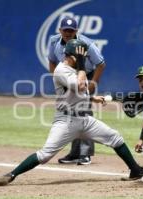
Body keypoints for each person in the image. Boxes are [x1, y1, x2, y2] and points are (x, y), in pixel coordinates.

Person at [0, 40, 143, 186]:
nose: (85, 59)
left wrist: (92, 99)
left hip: (84, 120)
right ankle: (11, 175)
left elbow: (80, 92)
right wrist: (80, 63)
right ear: (74, 57)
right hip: (66, 121)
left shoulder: (76, 70)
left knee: (115, 137)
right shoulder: (62, 70)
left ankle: (135, 170)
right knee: (45, 155)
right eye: (83, 56)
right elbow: (79, 86)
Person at [48, 16, 105, 165]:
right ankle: (74, 153)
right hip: (67, 76)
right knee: (70, 113)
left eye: (71, 31)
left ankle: (85, 153)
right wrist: (58, 81)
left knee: (84, 112)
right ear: (60, 30)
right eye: (65, 30)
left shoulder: (86, 43)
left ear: (76, 31)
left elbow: (100, 63)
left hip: (86, 75)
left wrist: (93, 83)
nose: (68, 33)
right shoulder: (54, 41)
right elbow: (52, 62)